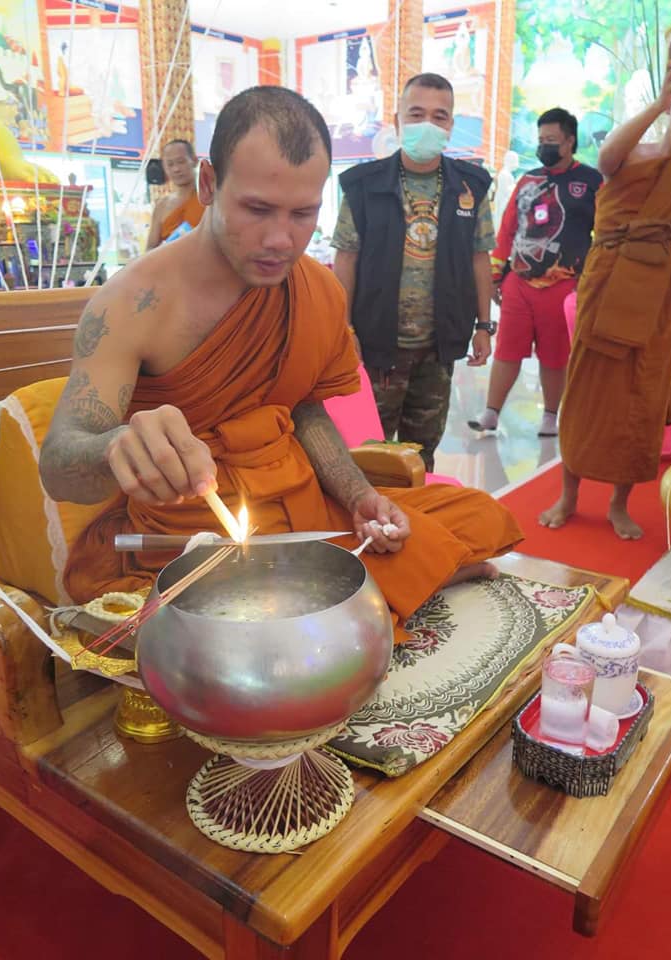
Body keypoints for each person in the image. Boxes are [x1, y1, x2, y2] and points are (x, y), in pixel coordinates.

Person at [38, 85, 522, 643]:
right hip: (196, 535)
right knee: (252, 634)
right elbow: (59, 464)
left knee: (476, 512)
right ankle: (389, 588)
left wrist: (358, 496)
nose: (279, 240)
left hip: (303, 505)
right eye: (257, 209)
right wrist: (115, 447)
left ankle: (376, 586)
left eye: (302, 214)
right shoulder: (131, 304)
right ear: (208, 184)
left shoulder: (316, 288)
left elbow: (304, 409)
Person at [539, 60, 671, 539]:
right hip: (609, 279)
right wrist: (660, 103)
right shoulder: (637, 147)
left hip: (658, 291)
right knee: (588, 389)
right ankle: (568, 495)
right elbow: (607, 159)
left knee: (643, 396)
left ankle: (618, 504)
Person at [331, 72, 497, 473]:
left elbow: (480, 257)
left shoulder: (470, 186)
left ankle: (420, 510)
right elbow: (346, 260)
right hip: (376, 344)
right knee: (369, 454)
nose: (427, 124)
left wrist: (483, 325)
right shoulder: (363, 186)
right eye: (416, 114)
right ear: (397, 120)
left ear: (451, 125)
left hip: (438, 347)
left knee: (422, 455)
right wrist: (343, 328)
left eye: (439, 117)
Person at [469, 109, 602, 438]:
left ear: (569, 141)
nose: (544, 146)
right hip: (519, 282)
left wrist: (590, 280)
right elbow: (507, 230)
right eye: (541, 140)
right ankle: (491, 413)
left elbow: (604, 234)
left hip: (564, 284)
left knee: (555, 356)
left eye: (551, 140)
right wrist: (496, 276)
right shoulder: (527, 180)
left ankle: (550, 416)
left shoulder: (591, 182)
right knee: (507, 349)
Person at [145, 139, 204, 249]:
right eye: (170, 164)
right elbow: (150, 249)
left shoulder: (210, 200)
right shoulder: (162, 206)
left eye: (181, 162)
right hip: (169, 259)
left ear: (195, 161)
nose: (176, 169)